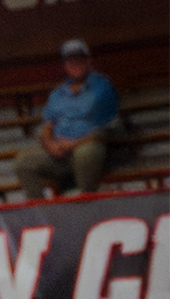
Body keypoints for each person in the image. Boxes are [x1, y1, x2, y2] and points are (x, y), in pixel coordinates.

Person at [15, 39, 119, 200]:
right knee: (24, 162)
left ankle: (86, 202)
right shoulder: (57, 93)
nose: (75, 63)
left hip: (88, 145)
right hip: (60, 151)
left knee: (85, 153)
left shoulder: (102, 87)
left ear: (88, 61)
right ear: (65, 65)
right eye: (70, 60)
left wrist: (73, 143)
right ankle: (39, 212)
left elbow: (105, 129)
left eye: (79, 59)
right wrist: (51, 145)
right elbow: (47, 127)